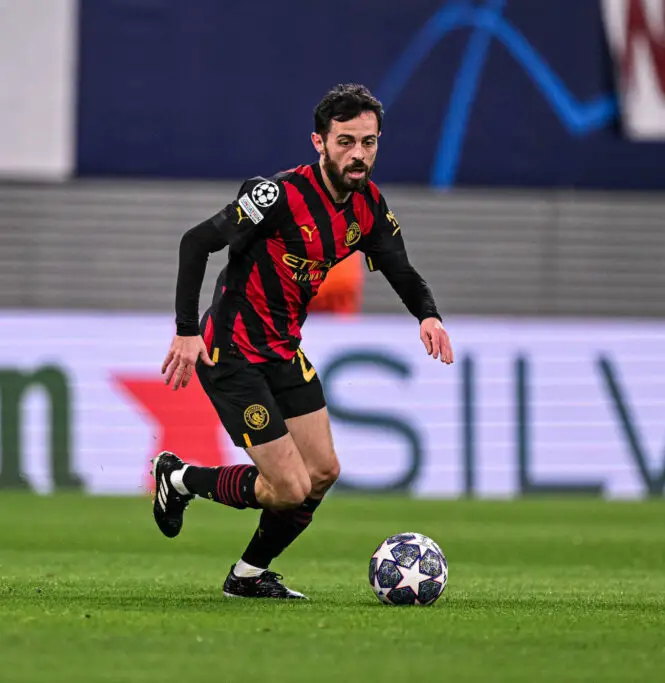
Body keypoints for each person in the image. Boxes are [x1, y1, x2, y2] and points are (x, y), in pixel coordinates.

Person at [151, 83, 454, 600]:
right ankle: (180, 479)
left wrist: (428, 315)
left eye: (369, 142)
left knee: (323, 472)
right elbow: (196, 241)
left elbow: (401, 270)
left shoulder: (367, 207)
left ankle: (247, 576)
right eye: (346, 141)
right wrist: (185, 329)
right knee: (288, 487)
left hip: (283, 352)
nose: (358, 154)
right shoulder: (277, 196)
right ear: (319, 142)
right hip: (231, 353)